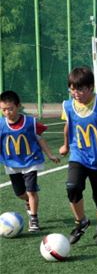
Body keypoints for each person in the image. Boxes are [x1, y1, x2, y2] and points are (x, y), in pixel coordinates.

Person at [59, 67, 97, 244]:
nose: (75, 93)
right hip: (79, 156)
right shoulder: (68, 106)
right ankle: (81, 222)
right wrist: (65, 145)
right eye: (72, 89)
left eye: (80, 89)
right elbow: (67, 126)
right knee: (72, 187)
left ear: (90, 88)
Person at [0, 90, 60, 232]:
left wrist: (50, 155)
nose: (7, 112)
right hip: (12, 163)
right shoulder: (1, 125)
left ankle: (34, 218)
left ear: (18, 106)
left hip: (30, 161)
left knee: (31, 191)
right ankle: (29, 201)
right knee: (20, 193)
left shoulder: (30, 122)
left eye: (10, 108)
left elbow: (39, 138)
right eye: (3, 110)